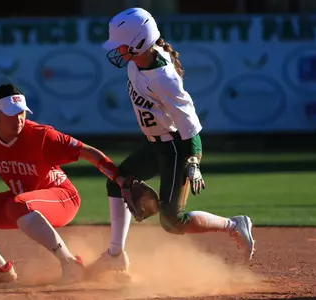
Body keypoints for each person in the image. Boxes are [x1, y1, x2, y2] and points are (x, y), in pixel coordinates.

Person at [87, 7, 256, 278]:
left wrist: (194, 161)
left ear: (140, 42)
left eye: (121, 45)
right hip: (157, 144)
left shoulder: (163, 77)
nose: (117, 50)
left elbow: (190, 124)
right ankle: (115, 255)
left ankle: (234, 225)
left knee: (172, 221)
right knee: (117, 181)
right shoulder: (135, 63)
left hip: (177, 147)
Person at [0, 83, 131, 285]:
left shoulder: (42, 135)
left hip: (62, 198)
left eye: (21, 113)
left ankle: (69, 263)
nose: (18, 119)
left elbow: (90, 152)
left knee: (18, 204)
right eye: (10, 113)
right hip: (22, 203)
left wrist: (119, 179)